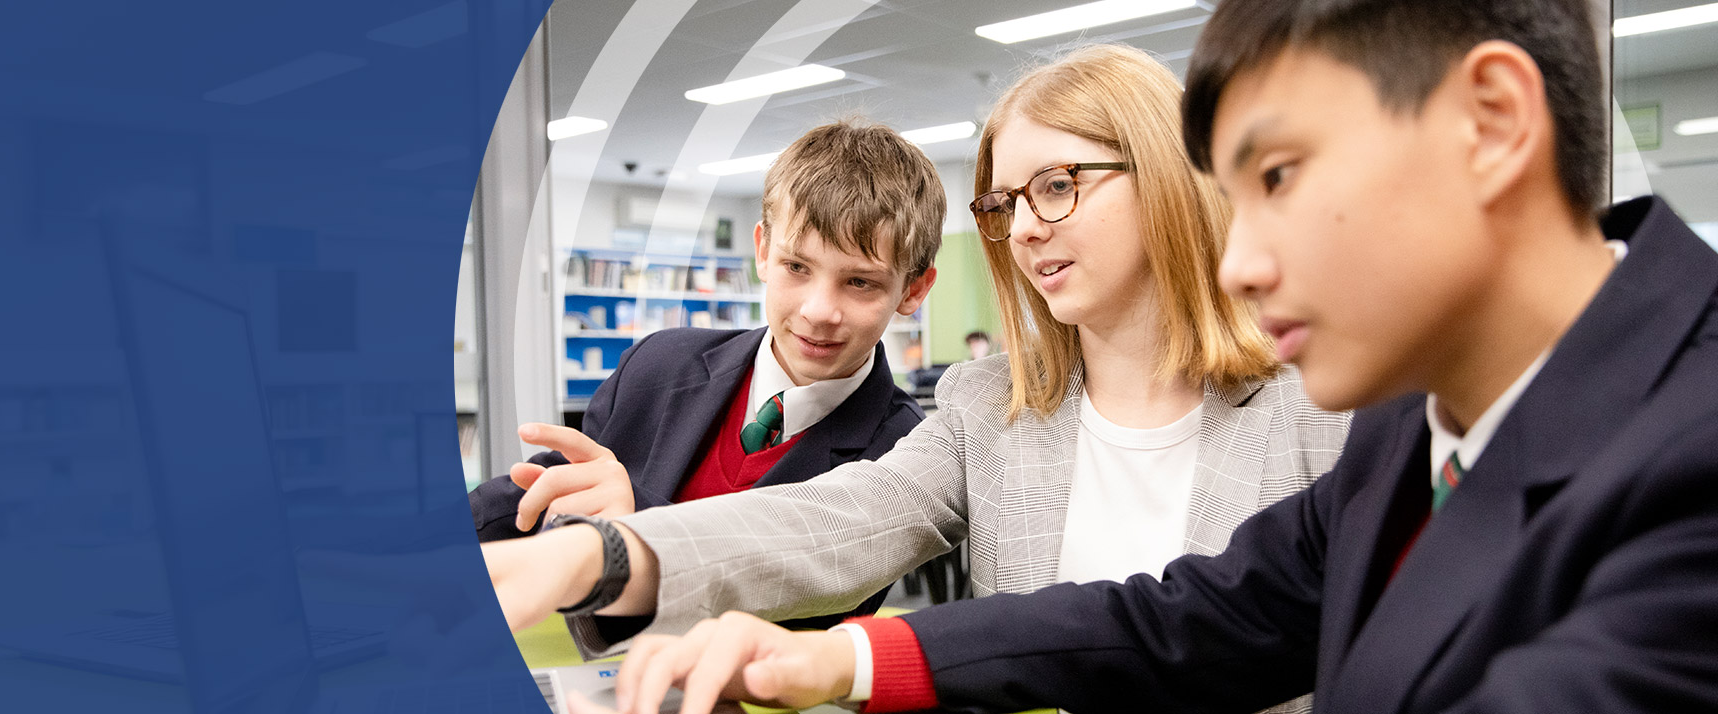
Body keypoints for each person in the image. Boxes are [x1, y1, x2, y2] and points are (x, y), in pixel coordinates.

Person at [587, 1, 1718, 713]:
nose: (1240, 263)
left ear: (1490, 124)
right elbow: (1177, 622)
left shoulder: (1690, 446)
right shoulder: (1410, 435)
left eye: (1276, 178)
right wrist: (846, 663)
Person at [482, 43, 1349, 714]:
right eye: (1006, 204)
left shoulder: (1321, 407)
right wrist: (594, 558)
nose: (1027, 229)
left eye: (1057, 186)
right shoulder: (992, 407)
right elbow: (833, 520)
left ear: (1165, 176)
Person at [469, 120, 943, 545]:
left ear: (913, 290)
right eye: (796, 266)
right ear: (762, 251)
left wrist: (633, 521)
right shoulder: (658, 365)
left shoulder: (906, 453)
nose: (819, 311)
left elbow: (794, 591)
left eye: (859, 282)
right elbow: (552, 488)